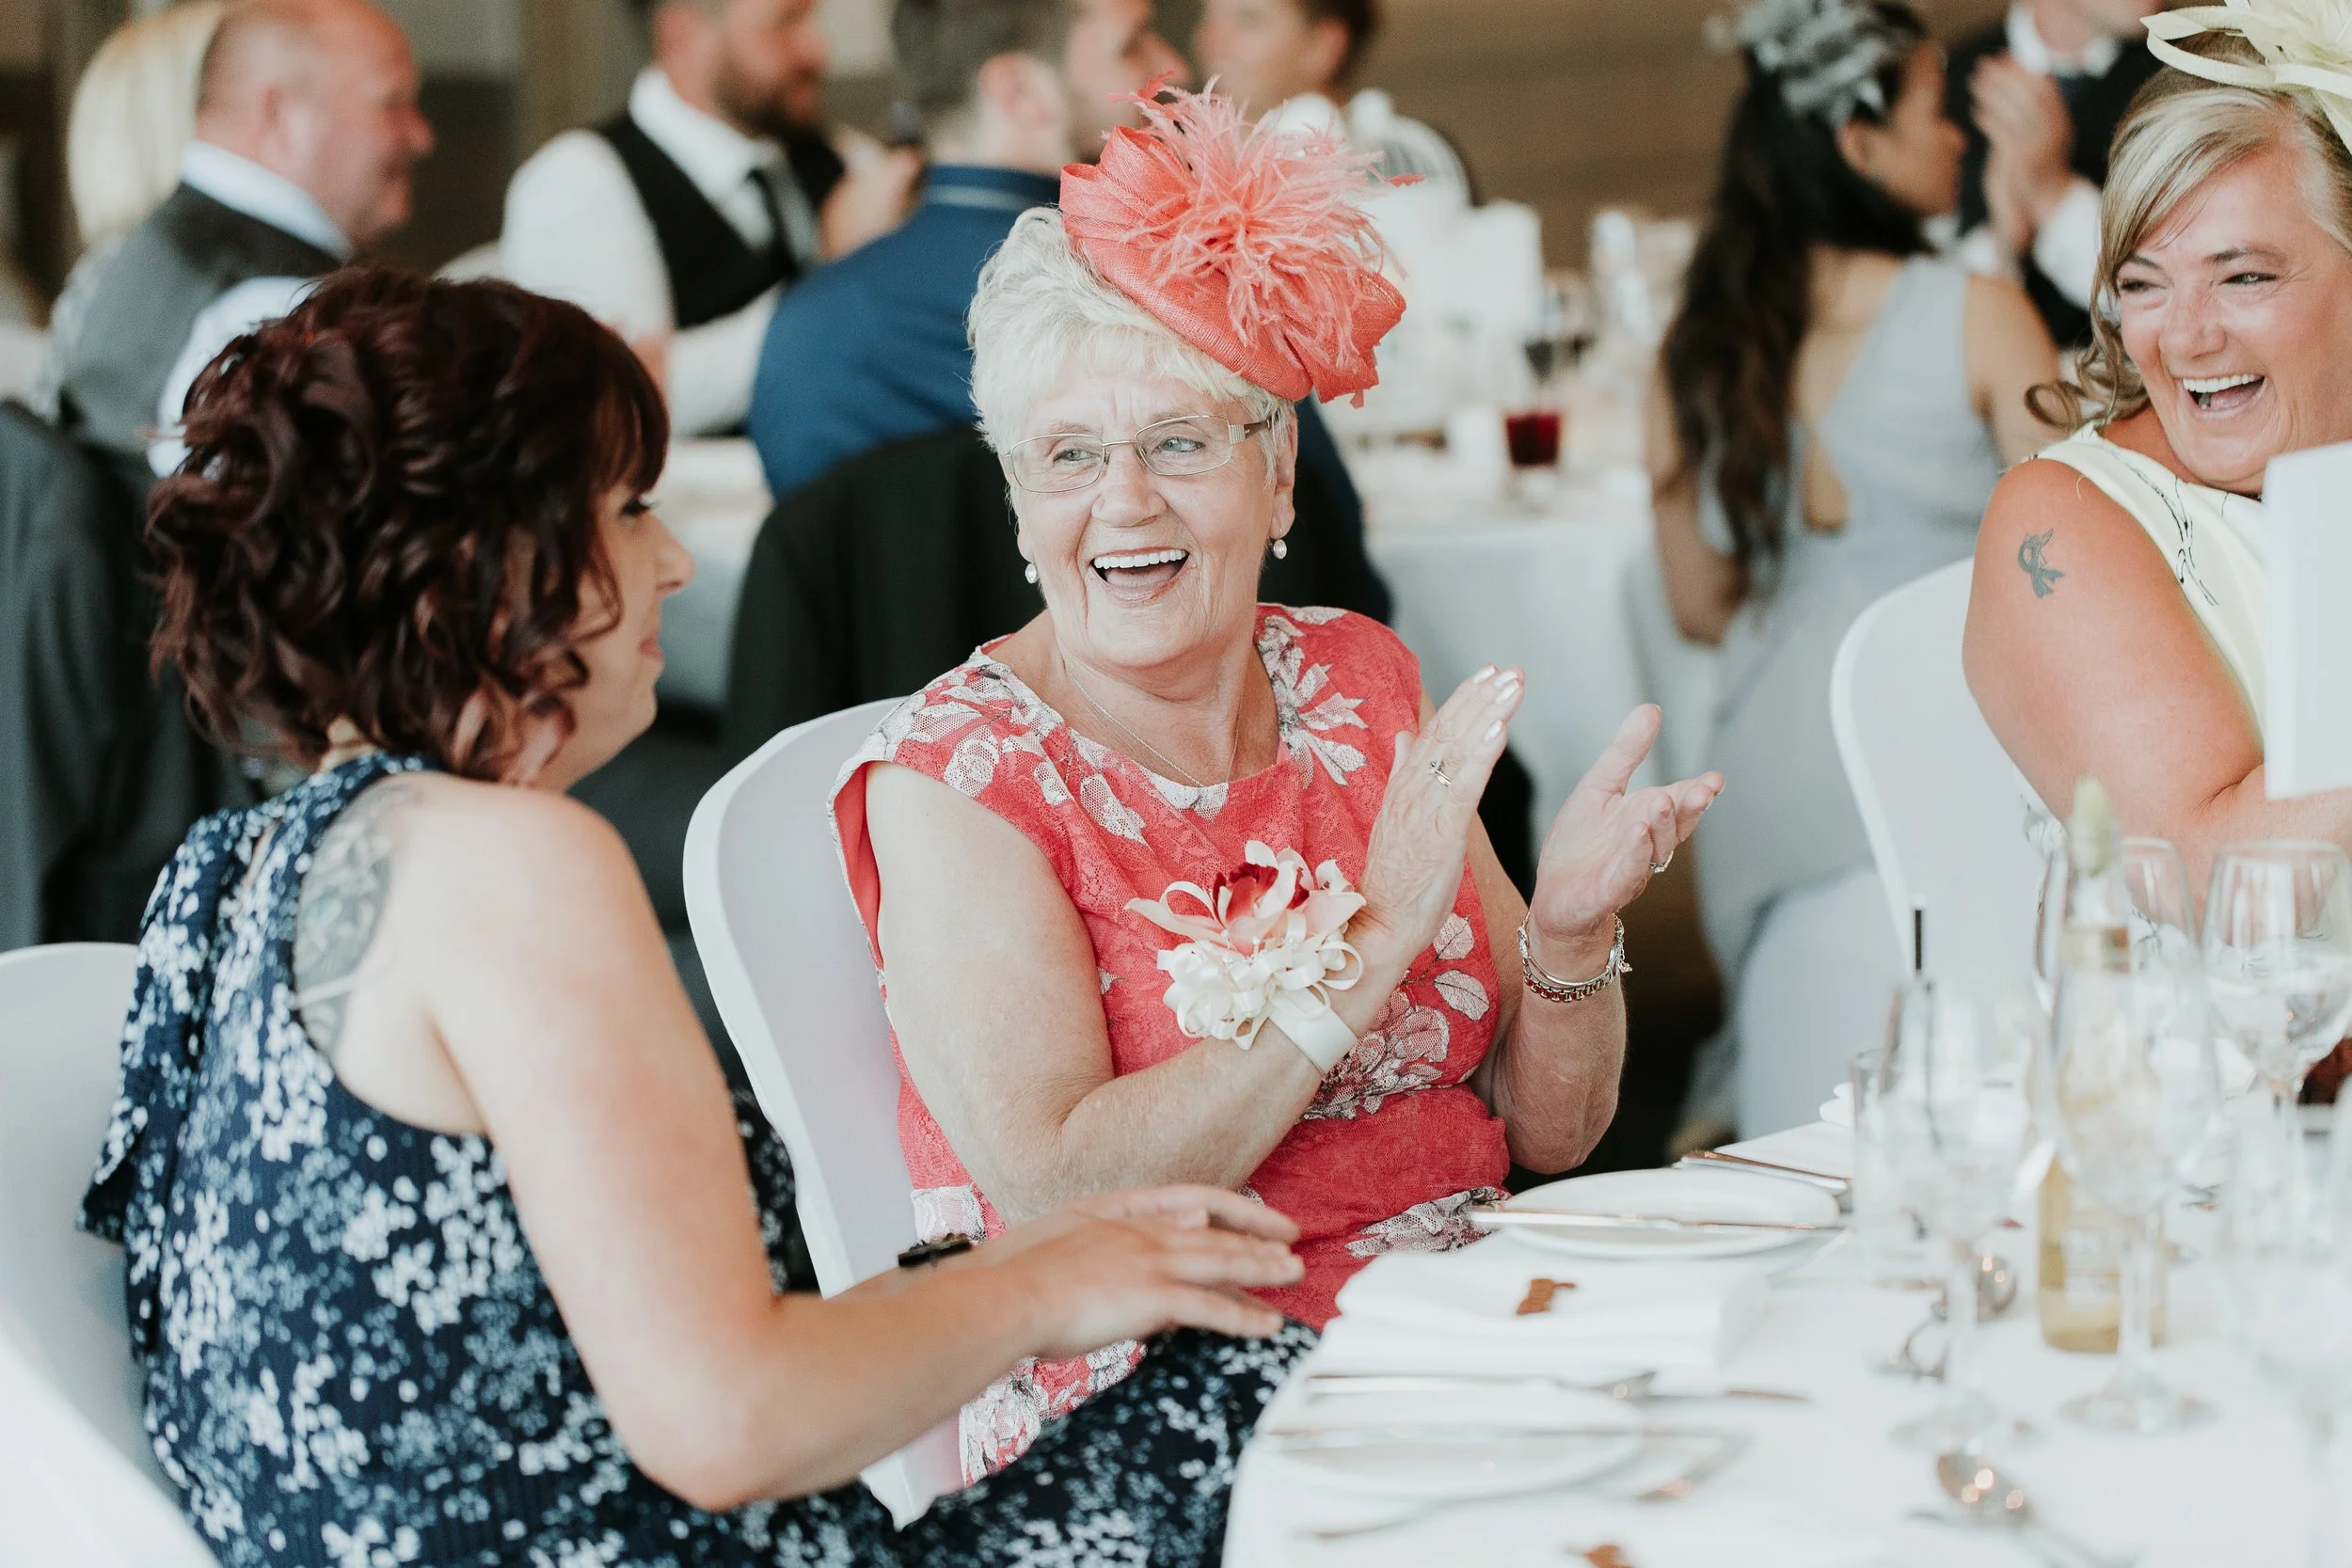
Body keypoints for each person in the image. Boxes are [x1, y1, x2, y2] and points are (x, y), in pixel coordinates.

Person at [80, 264, 1314, 1568]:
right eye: (627, 510)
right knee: (1273, 1386)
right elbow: (726, 1420)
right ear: (490, 555)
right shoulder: (506, 864)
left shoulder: (230, 869)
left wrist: (1015, 1267)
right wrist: (1044, 1282)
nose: (672, 562)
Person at [832, 83, 1721, 1476]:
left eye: (1180, 441)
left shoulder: (1357, 677)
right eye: (1069, 455)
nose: (1125, 498)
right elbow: (1064, 1193)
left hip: (1461, 1326)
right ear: (1018, 500)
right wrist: (1369, 944)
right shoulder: (961, 777)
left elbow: (1550, 1128)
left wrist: (1566, 935)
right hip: (1175, 1392)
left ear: (1280, 471)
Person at [1650, 0, 2057, 1134]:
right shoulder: (1979, 315)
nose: (1957, 136)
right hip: (1948, 751)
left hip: (1769, 790)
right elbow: (2070, 564)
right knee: (1987, 1106)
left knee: (1811, 1124)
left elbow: (1696, 604)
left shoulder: (1699, 344)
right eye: (1936, 109)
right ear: (1858, 142)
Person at [1966, 15, 2352, 889]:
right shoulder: (2061, 523)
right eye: (2143, 284)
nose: (2184, 338)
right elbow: (2214, 881)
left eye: (2243, 276)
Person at [746, 0, 1185, 501]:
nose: (1172, 65)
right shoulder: (1123, 296)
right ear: (1019, 91)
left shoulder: (806, 322)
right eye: (1131, 46)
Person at [501, 0, 921, 437]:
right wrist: (835, 277)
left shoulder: (833, 151)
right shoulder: (579, 181)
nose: (817, 50)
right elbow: (631, 400)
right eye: (784, 24)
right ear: (683, 36)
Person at [47, 0, 433, 470]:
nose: (422, 136)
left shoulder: (159, 247)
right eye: (392, 103)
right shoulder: (279, 307)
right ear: (281, 113)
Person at [1947, 0, 2164, 348]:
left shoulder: (2190, 69)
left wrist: (2053, 193)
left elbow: (2179, 301)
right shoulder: (1945, 83)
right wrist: (2003, 243)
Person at [1192, 0, 1467, 195]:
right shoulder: (1191, 170)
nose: (1210, 40)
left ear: (1324, 45)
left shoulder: (1408, 157)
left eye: (1248, 21)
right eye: (1208, 19)